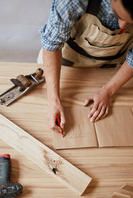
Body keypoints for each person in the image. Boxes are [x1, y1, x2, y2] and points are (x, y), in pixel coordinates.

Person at [39, 0, 133, 134]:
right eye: (119, 16)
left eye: (130, 23)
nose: (122, 26)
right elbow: (52, 45)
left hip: (114, 65)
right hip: (67, 59)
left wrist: (108, 90)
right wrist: (53, 102)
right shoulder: (73, 1)